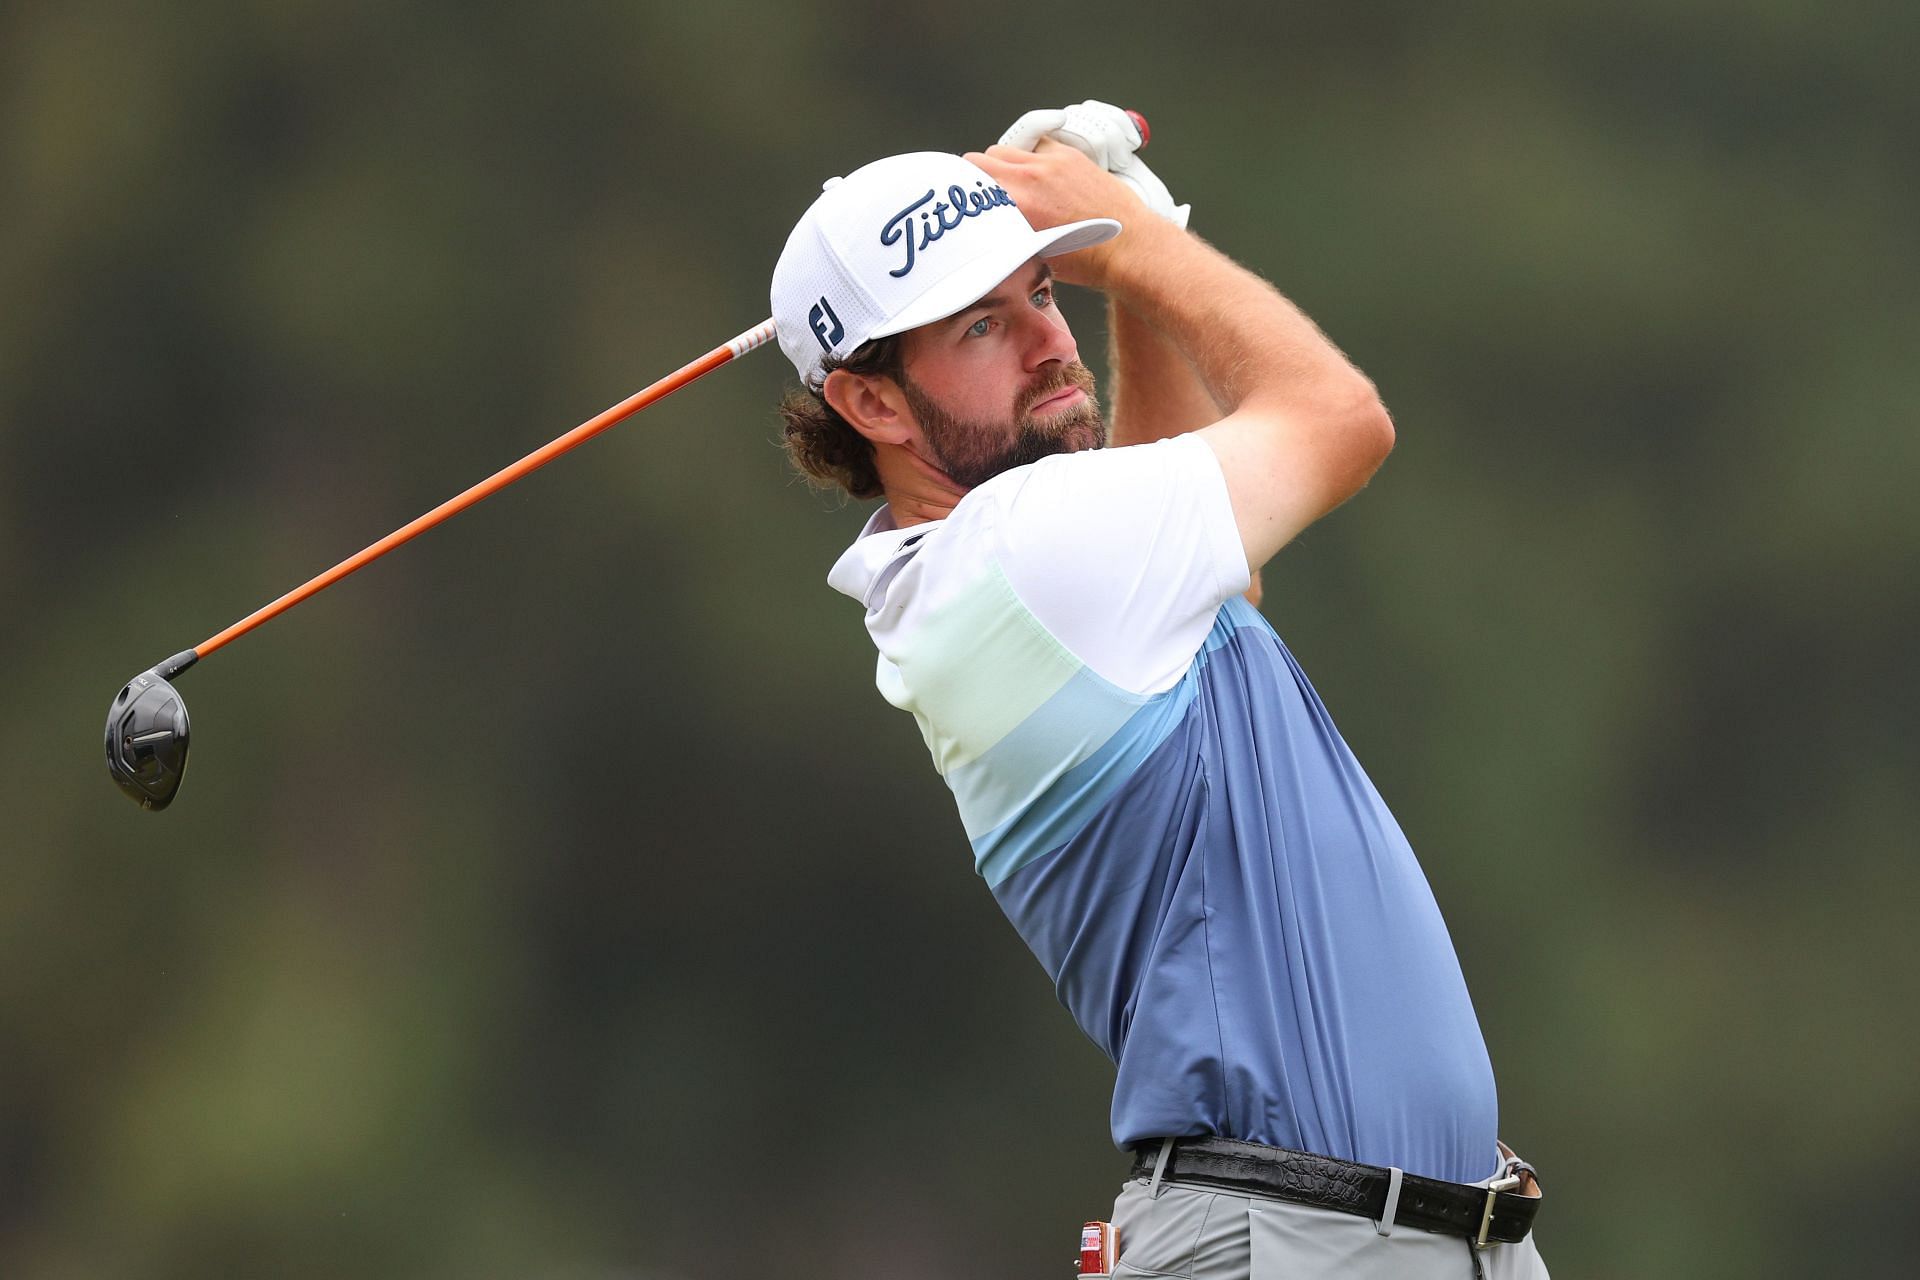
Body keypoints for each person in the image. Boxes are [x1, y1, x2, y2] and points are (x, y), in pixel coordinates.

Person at [768, 103, 1549, 1279]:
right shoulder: (1012, 556)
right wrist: (1136, 239)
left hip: (1401, 1237)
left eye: (1046, 291)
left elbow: (1216, 573)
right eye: (984, 323)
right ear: (869, 403)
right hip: (1288, 1239)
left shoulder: (1039, 563)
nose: (1046, 341)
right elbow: (1343, 421)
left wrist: (1133, 257)